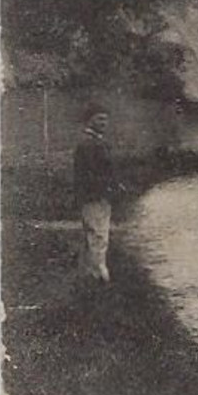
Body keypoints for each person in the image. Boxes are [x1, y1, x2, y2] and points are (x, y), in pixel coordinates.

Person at [73, 104, 118, 286]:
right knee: (98, 235)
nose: (104, 123)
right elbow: (90, 173)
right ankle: (98, 276)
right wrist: (104, 189)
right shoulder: (87, 144)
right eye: (99, 119)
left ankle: (88, 275)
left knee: (94, 234)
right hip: (93, 196)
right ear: (89, 120)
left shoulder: (97, 142)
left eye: (106, 119)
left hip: (100, 195)